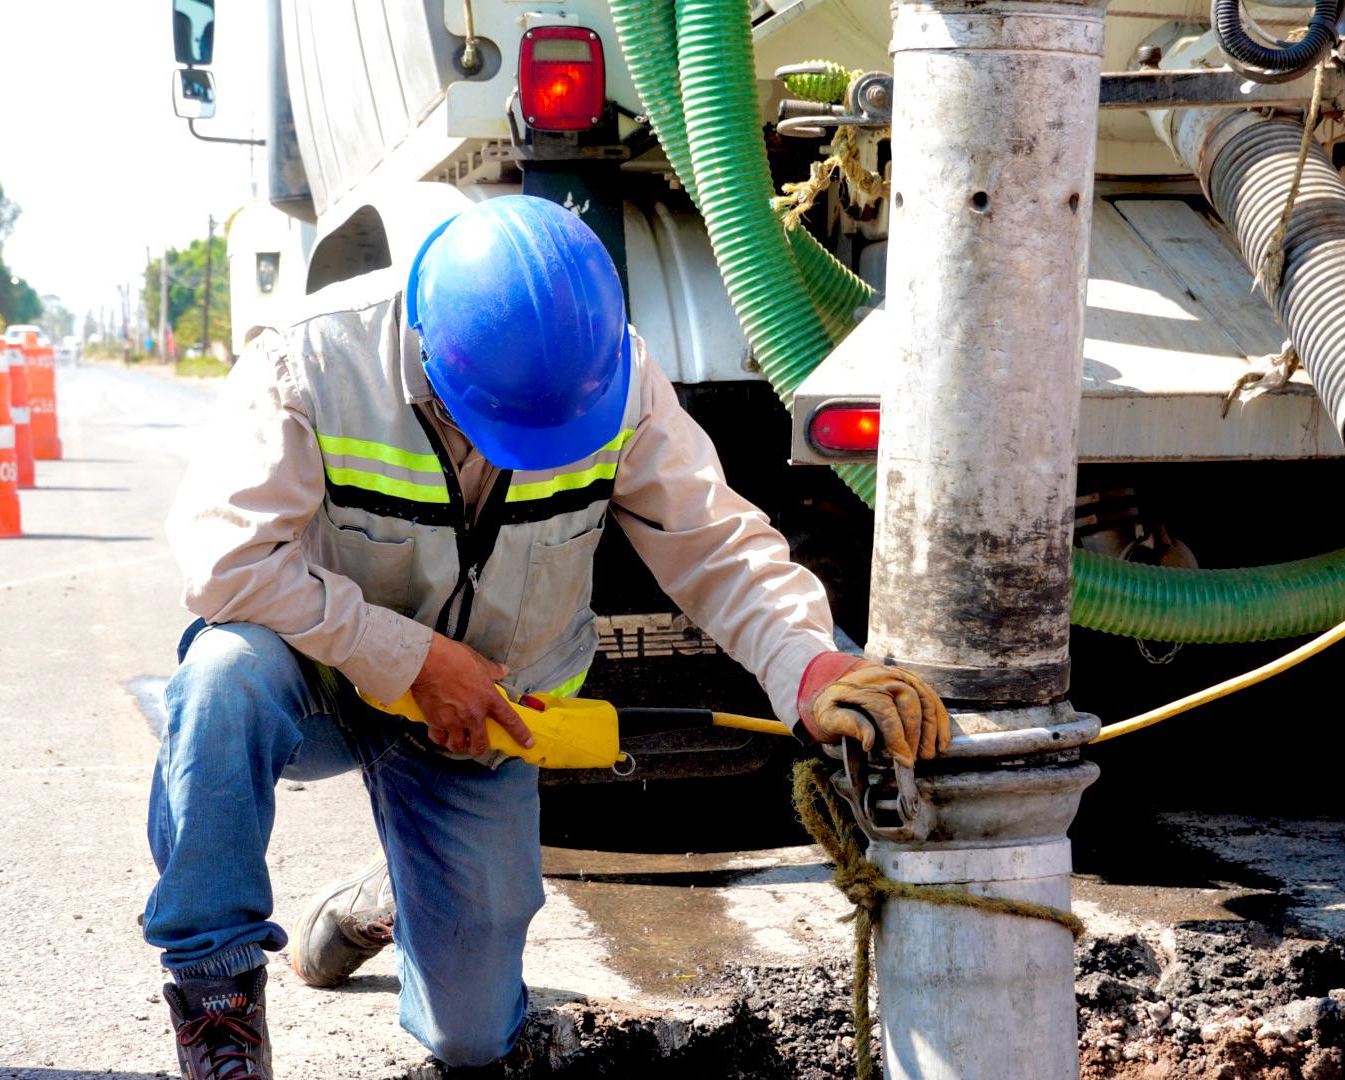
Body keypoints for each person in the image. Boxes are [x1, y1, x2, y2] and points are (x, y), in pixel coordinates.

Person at [147, 195, 948, 1078]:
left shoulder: (612, 373)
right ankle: (215, 990)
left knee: (472, 1038)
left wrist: (809, 661)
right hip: (320, 682)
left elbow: (713, 541)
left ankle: (393, 895)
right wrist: (411, 661)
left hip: (485, 710)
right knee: (223, 675)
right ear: (428, 351)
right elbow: (225, 562)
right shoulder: (312, 359)